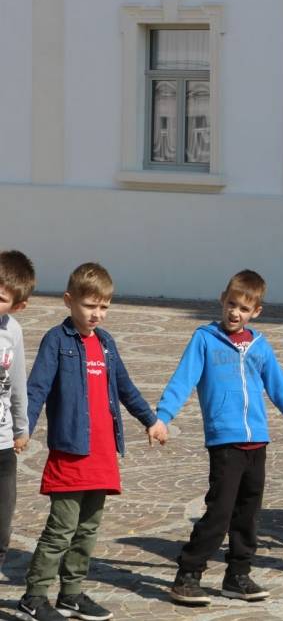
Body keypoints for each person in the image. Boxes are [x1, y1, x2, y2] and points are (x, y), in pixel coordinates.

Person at [157, 270, 283, 605]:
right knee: (219, 512)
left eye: (244, 308)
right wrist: (163, 417)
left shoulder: (261, 347)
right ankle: (188, 575)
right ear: (223, 300)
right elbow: (183, 380)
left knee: (248, 514)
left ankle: (237, 576)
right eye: (232, 304)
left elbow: (282, 390)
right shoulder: (204, 339)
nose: (236, 312)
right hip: (225, 442)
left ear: (256, 312)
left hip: (257, 442)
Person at [20, 263, 168, 621]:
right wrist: (22, 428)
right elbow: (36, 388)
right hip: (71, 453)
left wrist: (151, 420)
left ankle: (71, 594)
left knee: (87, 531)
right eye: (90, 306)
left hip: (102, 454)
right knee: (61, 529)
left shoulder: (106, 343)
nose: (97, 314)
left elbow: (126, 388)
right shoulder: (57, 341)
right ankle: (34, 596)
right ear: (69, 301)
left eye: (104, 307)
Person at [0, 251, 34, 573]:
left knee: (2, 518)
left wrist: (21, 427)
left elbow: (18, 382)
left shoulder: (13, 332)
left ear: (17, 306)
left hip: (3, 441)